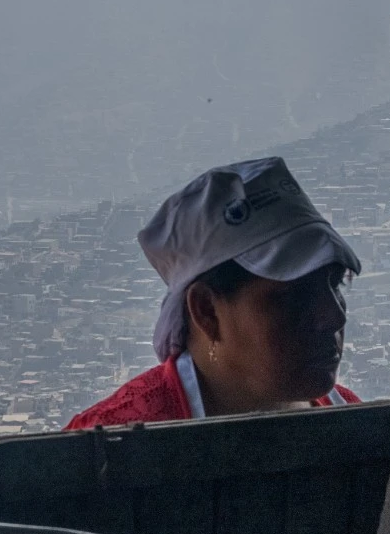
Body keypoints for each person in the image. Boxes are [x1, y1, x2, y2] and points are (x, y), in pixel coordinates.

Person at [67, 157, 362, 429]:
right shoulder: (107, 450)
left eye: (335, 285)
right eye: (293, 297)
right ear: (206, 311)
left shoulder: (358, 424)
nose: (334, 316)